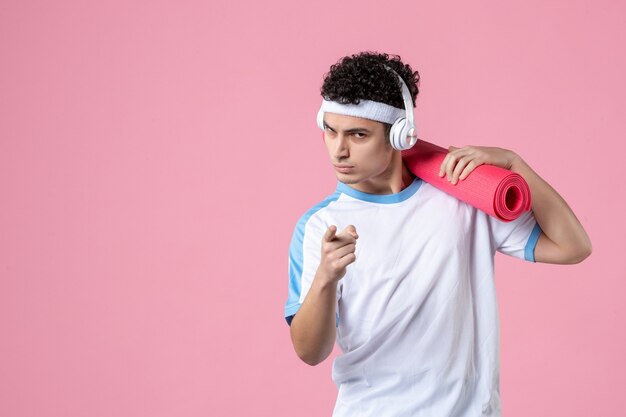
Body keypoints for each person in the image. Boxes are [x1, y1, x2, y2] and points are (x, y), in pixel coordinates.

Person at [284, 51, 591, 417]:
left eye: (358, 135)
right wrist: (325, 278)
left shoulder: (463, 197)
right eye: (330, 131)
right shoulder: (320, 224)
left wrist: (514, 163)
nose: (339, 149)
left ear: (400, 135)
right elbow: (309, 352)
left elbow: (574, 246)